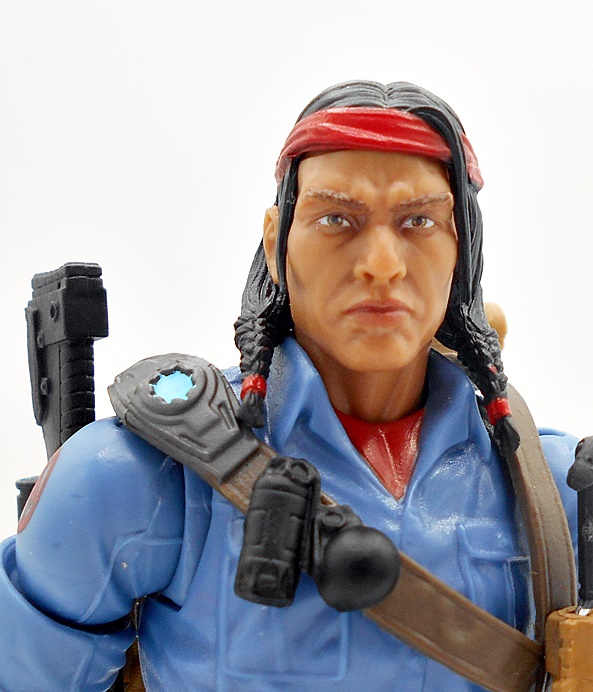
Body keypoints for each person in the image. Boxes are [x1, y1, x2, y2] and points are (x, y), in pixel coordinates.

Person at [0, 81, 579, 691]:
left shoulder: (558, 494)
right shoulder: (143, 477)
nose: (382, 263)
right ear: (277, 244)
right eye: (336, 219)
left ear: (463, 250)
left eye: (419, 221)